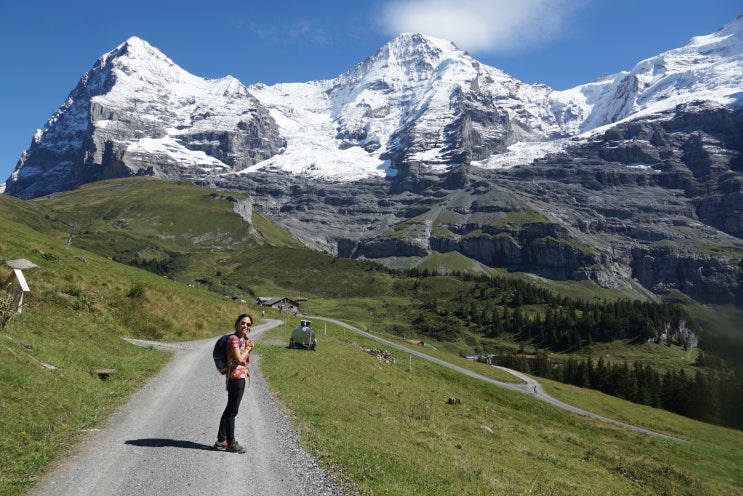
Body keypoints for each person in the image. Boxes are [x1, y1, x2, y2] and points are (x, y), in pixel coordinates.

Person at [215, 313, 255, 453]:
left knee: (229, 409)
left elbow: (245, 360)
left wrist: (246, 349)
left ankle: (221, 440)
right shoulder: (234, 339)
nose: (245, 326)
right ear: (237, 323)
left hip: (240, 377)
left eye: (248, 324)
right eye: (243, 323)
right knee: (232, 411)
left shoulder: (243, 340)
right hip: (236, 378)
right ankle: (231, 443)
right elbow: (239, 360)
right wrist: (248, 349)